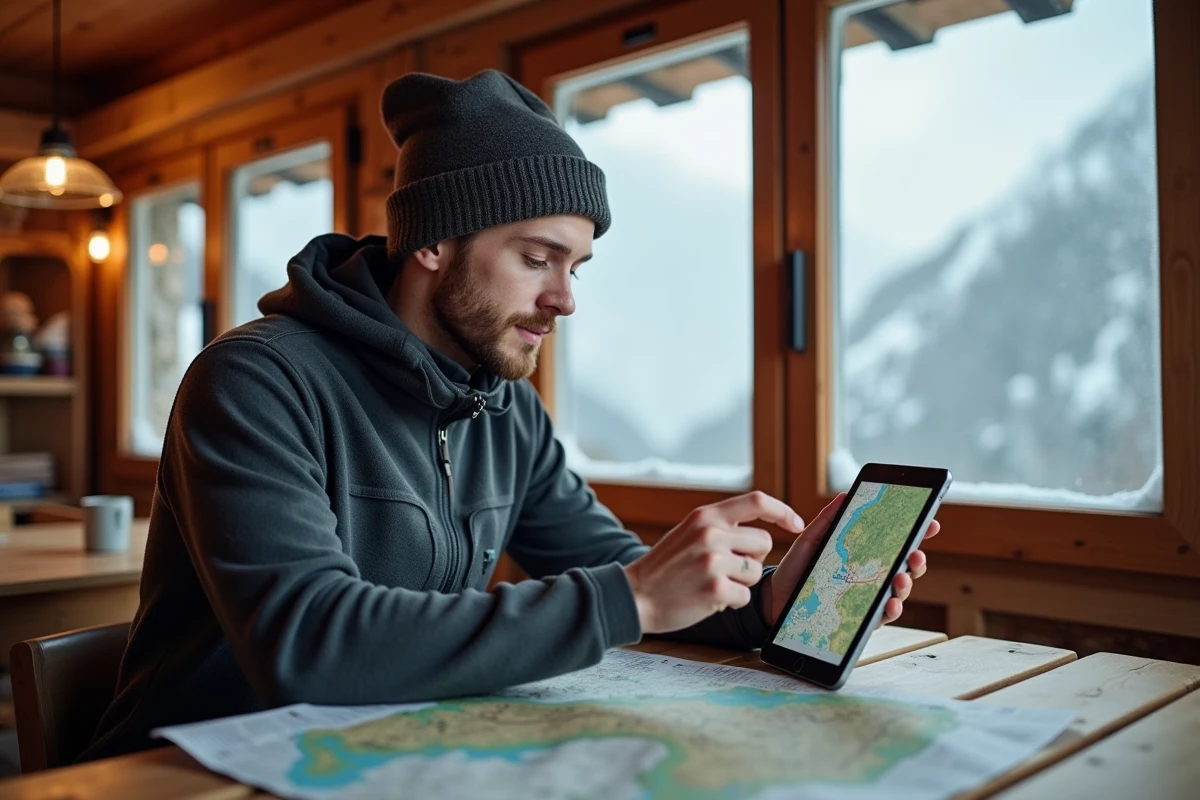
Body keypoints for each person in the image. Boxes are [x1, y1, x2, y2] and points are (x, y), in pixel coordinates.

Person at [83, 70, 938, 761]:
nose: (564, 299)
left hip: (379, 759)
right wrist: (631, 595)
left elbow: (612, 571)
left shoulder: (504, 408)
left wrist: (766, 603)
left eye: (579, 266)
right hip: (190, 773)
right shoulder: (254, 382)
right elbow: (309, 643)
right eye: (537, 258)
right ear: (433, 242)